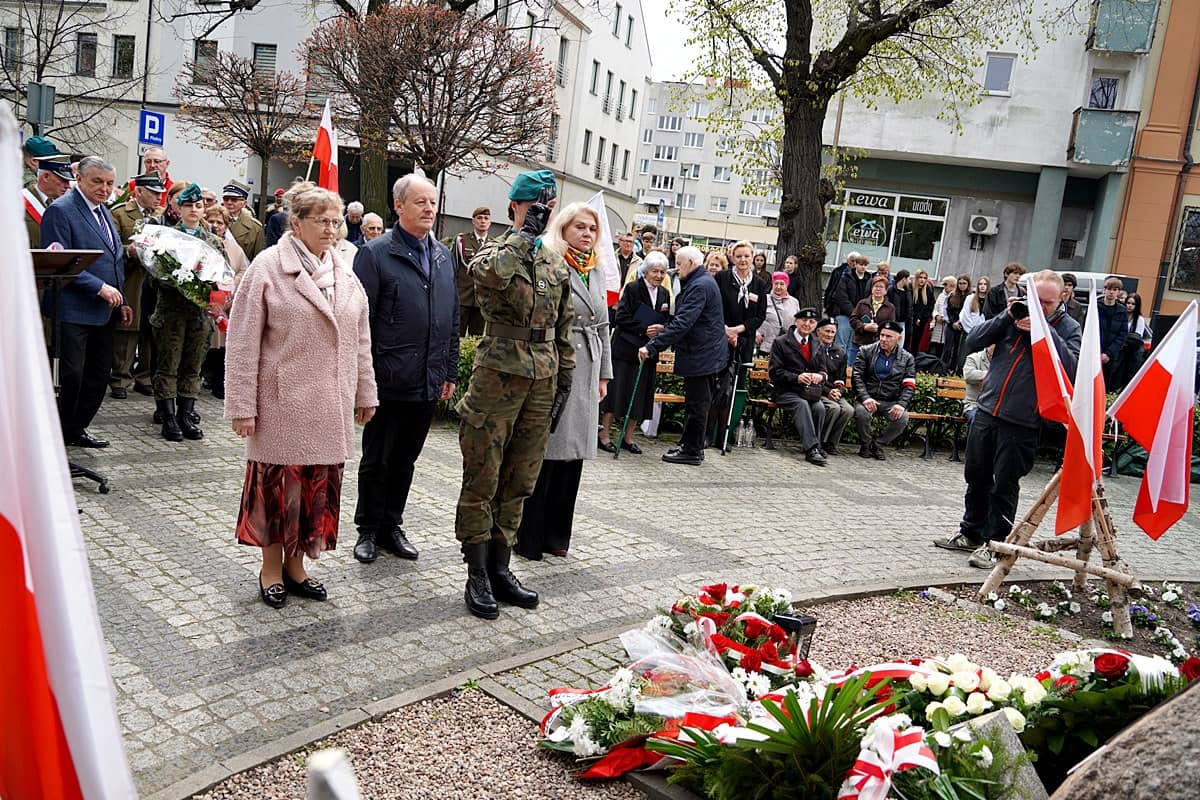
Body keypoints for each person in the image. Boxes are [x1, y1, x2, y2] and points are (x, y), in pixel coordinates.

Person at [226, 183, 378, 608]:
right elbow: (242, 342)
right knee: (278, 491)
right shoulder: (268, 267)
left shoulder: (345, 273)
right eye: (322, 221)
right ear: (296, 223)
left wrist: (365, 391)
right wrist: (242, 406)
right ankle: (271, 568)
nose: (332, 230)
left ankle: (298, 567)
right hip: (281, 404)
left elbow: (360, 340)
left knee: (313, 491)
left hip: (330, 406)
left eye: (335, 221)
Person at [454, 169, 573, 620]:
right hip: (497, 378)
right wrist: (523, 236)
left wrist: (565, 380)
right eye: (533, 207)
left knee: (521, 480)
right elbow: (485, 278)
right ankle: (477, 570)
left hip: (541, 382)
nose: (542, 214)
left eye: (547, 207)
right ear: (515, 208)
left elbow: (563, 327)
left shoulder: (556, 263)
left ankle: (502, 566)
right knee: (483, 475)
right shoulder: (495, 251)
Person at [933, 269, 1081, 569]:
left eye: (1047, 303)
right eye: (1034, 300)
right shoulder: (1013, 315)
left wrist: (1043, 331)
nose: (1039, 307)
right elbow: (973, 339)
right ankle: (970, 533)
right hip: (987, 412)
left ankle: (996, 544)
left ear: (1062, 298)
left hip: (1023, 422)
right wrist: (1006, 316)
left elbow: (1072, 367)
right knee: (976, 476)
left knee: (1005, 484)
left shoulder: (1068, 327)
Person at [351, 175, 458, 565]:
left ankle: (391, 525)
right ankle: (367, 528)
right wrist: (363, 380)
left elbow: (452, 317)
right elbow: (360, 321)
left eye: (432, 202)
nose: (429, 208)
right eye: (420, 202)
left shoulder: (443, 256)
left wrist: (449, 371)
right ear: (399, 206)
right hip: (387, 377)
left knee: (406, 459)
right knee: (377, 458)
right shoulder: (376, 254)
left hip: (426, 380)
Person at [515, 203, 611, 559]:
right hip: (559, 361)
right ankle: (530, 536)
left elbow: (604, 325)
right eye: (580, 227)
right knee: (549, 452)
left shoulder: (596, 269)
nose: (586, 234)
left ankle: (558, 536)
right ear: (563, 229)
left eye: (592, 229)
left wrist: (605, 374)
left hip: (589, 363)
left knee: (574, 458)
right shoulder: (552, 262)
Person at [39, 156, 131, 449]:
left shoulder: (103, 212)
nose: (104, 189)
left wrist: (122, 299)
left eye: (109, 183)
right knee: (72, 375)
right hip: (73, 308)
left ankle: (76, 429)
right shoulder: (61, 211)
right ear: (79, 178)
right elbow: (59, 260)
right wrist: (98, 287)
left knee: (98, 374)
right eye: (97, 182)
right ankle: (59, 434)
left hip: (105, 311)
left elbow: (113, 260)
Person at [638, 245, 725, 465]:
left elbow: (685, 322)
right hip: (703, 353)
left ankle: (692, 451)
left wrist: (652, 346)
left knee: (697, 405)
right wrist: (665, 328)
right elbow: (685, 320)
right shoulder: (700, 281)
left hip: (702, 355)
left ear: (691, 263)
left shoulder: (700, 285)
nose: (676, 269)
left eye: (679, 263)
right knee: (695, 403)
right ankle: (691, 446)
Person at [152, 183, 226, 442]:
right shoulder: (166, 237)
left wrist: (212, 297)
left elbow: (222, 278)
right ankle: (168, 415)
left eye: (198, 205)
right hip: (172, 312)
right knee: (168, 363)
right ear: (178, 208)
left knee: (193, 365)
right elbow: (157, 275)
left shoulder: (213, 240)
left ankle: (186, 413)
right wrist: (183, 283)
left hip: (199, 315)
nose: (194, 210)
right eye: (188, 206)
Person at [600, 253, 669, 454]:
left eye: (662, 272)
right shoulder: (632, 288)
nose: (658, 275)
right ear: (646, 271)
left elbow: (666, 318)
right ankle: (604, 435)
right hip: (626, 348)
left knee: (639, 396)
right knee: (616, 393)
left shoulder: (664, 293)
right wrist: (642, 328)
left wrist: (661, 328)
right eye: (655, 271)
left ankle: (628, 437)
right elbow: (621, 316)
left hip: (647, 353)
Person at [109, 172, 166, 400]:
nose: (158, 198)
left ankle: (144, 377)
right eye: (153, 193)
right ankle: (120, 378)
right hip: (131, 278)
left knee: (149, 329)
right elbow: (111, 247)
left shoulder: (159, 218)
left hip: (153, 281)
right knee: (127, 329)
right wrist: (128, 250)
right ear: (139, 192)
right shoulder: (120, 214)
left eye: (160, 194)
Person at [769, 307, 828, 466]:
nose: (807, 324)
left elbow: (823, 369)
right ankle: (811, 450)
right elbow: (775, 372)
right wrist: (797, 378)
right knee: (801, 405)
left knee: (819, 408)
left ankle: (816, 445)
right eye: (804, 320)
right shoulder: (781, 342)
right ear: (796, 321)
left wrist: (820, 375)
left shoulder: (817, 343)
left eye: (812, 322)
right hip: (786, 391)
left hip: (809, 392)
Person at [202, 205, 249, 401]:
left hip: (225, 301)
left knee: (222, 346)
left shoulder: (234, 247)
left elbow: (242, 270)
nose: (215, 226)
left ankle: (218, 383)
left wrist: (231, 286)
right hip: (203, 300)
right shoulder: (202, 243)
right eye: (211, 221)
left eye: (219, 223)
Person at [852, 321, 915, 461]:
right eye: (882, 335)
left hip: (890, 400)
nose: (884, 339)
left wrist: (901, 404)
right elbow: (857, 377)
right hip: (868, 397)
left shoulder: (907, 358)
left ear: (898, 338)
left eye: (888, 336)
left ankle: (878, 444)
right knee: (862, 413)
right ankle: (866, 444)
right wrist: (865, 397)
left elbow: (909, 385)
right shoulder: (865, 351)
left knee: (902, 418)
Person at [448, 206, 491, 336]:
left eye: (486, 218)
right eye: (479, 218)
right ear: (473, 221)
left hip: (482, 300)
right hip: (462, 297)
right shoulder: (462, 240)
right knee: (456, 335)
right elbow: (452, 267)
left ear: (490, 222)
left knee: (477, 337)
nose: (482, 221)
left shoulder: (494, 244)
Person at [815, 317, 853, 454]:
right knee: (834, 408)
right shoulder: (813, 348)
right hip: (816, 390)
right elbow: (811, 374)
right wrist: (827, 392)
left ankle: (831, 443)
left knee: (848, 410)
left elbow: (841, 378)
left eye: (832, 332)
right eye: (827, 331)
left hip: (833, 392)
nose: (829, 335)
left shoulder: (840, 352)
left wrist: (838, 391)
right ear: (818, 332)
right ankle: (818, 442)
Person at [23, 154, 72, 246]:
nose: (68, 186)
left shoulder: (67, 205)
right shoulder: (19, 203)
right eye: (63, 180)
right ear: (46, 176)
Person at [849, 275, 896, 367]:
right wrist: (864, 327)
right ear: (872, 289)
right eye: (876, 286)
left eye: (881, 287)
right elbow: (853, 319)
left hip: (877, 345)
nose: (878, 289)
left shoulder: (890, 307)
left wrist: (878, 329)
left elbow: (891, 326)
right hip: (859, 343)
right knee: (852, 369)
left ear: (886, 291)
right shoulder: (862, 303)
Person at [831, 252, 870, 352]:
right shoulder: (846, 278)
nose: (863, 267)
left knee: (853, 346)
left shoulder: (869, 280)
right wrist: (853, 313)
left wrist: (860, 315)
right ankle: (837, 365)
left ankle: (849, 366)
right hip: (844, 314)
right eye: (861, 264)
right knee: (841, 343)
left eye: (865, 265)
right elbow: (841, 297)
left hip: (859, 318)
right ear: (856, 264)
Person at [1115, 291, 1151, 392]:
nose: (1130, 306)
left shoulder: (1139, 320)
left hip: (1131, 354)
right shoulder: (1121, 316)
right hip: (1119, 350)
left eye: (1133, 304)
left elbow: (1137, 337)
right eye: (1128, 303)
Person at [1097, 277, 1130, 387]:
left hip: (1111, 357)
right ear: (1104, 290)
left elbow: (1122, 334)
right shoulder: (1095, 307)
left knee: (1105, 385)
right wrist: (1098, 352)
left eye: (1115, 289)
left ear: (1118, 292)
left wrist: (1108, 353)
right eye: (1109, 289)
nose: (1111, 292)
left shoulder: (1122, 311)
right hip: (1094, 353)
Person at [757, 271, 800, 355]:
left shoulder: (794, 302)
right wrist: (756, 334)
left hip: (786, 347)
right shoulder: (764, 299)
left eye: (782, 284)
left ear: (787, 285)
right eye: (776, 283)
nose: (778, 287)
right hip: (766, 345)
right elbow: (754, 317)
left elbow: (797, 323)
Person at [222, 179, 265, 261]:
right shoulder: (213, 221)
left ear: (244, 203)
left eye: (234, 200)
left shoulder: (255, 227)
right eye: (226, 199)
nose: (229, 202)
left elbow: (258, 258)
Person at [961, 345, 992, 427]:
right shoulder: (973, 358)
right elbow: (969, 376)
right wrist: (991, 374)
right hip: (973, 405)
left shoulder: (1002, 361)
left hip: (992, 409)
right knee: (978, 419)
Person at [929, 276, 956, 358]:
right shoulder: (941, 295)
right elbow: (935, 308)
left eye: (946, 284)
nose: (944, 286)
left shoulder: (955, 297)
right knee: (935, 346)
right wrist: (936, 316)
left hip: (948, 325)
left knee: (946, 347)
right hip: (938, 325)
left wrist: (946, 318)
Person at [909, 269, 935, 352]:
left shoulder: (928, 289)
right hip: (910, 319)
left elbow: (929, 307)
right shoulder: (910, 288)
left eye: (924, 278)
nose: (922, 280)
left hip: (921, 321)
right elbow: (909, 305)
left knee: (916, 341)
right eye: (920, 277)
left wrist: (922, 319)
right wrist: (915, 317)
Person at [888, 269, 912, 343]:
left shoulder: (908, 291)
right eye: (909, 278)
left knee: (900, 344)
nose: (909, 281)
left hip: (903, 322)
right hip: (893, 321)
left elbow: (910, 307)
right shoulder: (891, 290)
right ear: (904, 279)